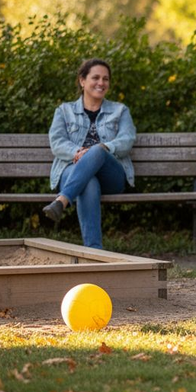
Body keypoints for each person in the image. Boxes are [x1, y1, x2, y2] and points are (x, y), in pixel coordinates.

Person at [42, 59, 136, 249]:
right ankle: (94, 252)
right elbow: (57, 142)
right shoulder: (64, 111)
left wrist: (103, 148)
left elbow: (127, 140)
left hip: (110, 175)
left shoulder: (120, 110)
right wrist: (77, 152)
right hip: (72, 170)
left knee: (98, 150)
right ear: (82, 81)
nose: (101, 83)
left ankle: (62, 200)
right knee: (89, 182)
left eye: (105, 79)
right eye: (95, 77)